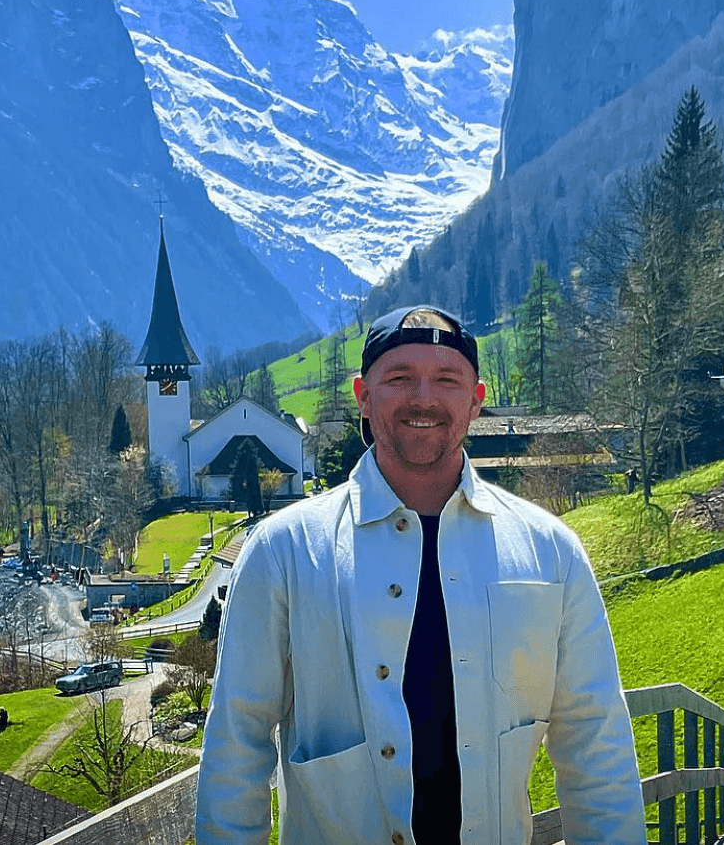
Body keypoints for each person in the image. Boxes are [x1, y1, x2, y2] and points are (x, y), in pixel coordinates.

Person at [196, 305, 644, 845]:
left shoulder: (551, 551)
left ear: (476, 401)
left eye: (447, 380)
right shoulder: (284, 552)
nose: (424, 399)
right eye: (400, 378)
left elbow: (595, 738)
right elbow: (236, 743)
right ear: (364, 396)